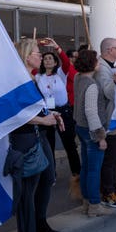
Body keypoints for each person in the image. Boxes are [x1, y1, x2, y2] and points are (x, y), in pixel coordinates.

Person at [10, 39, 62, 232]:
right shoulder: (17, 80)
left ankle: (38, 226)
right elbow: (16, 114)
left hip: (38, 135)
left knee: (47, 179)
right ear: (25, 55)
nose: (41, 56)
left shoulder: (31, 78)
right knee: (27, 193)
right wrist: (44, 119)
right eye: (36, 52)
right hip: (26, 139)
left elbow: (35, 109)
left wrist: (50, 116)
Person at [35, 39, 81, 180]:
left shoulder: (61, 73)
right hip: (47, 113)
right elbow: (25, 65)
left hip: (63, 111)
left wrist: (57, 47)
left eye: (51, 58)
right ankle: (51, 174)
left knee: (69, 143)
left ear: (55, 62)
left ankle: (77, 173)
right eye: (45, 58)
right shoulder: (38, 76)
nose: (48, 61)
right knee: (48, 145)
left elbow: (66, 62)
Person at [73, 49, 111, 216]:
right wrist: (100, 136)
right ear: (92, 64)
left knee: (86, 167)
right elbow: (91, 112)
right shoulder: (92, 85)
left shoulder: (78, 78)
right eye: (96, 60)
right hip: (91, 129)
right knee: (94, 169)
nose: (98, 63)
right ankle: (95, 205)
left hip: (80, 127)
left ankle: (86, 202)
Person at [95, 38, 116, 209]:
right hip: (109, 120)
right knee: (110, 159)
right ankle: (107, 192)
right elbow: (109, 93)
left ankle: (114, 187)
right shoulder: (102, 69)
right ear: (109, 50)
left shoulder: (112, 65)